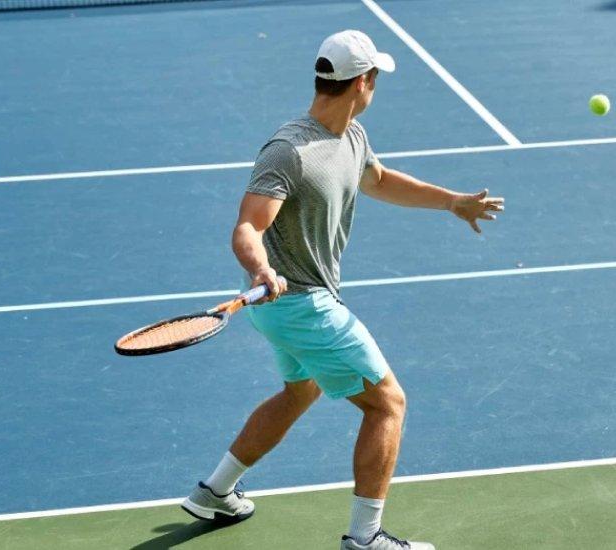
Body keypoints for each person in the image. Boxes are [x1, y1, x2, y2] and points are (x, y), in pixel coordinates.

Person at [180, 29, 503, 550]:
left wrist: (451, 202)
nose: (377, 86)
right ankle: (365, 538)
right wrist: (261, 268)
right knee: (387, 404)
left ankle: (215, 492)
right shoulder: (289, 151)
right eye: (376, 77)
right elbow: (247, 227)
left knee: (300, 391)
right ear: (363, 82)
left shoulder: (352, 136)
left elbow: (376, 181)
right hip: (298, 301)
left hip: (285, 306)